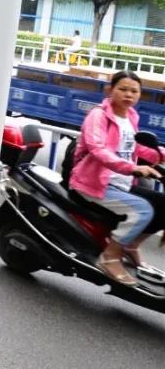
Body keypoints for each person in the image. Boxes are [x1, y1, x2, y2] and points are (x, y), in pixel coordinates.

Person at [69, 70, 164, 284]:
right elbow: (97, 148)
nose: (128, 95)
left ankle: (130, 245)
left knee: (163, 205)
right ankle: (109, 256)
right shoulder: (98, 115)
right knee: (143, 210)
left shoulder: (130, 117)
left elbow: (137, 147)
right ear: (110, 89)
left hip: (120, 183)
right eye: (122, 89)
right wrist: (132, 168)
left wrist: (161, 156)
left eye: (134, 91)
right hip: (93, 183)